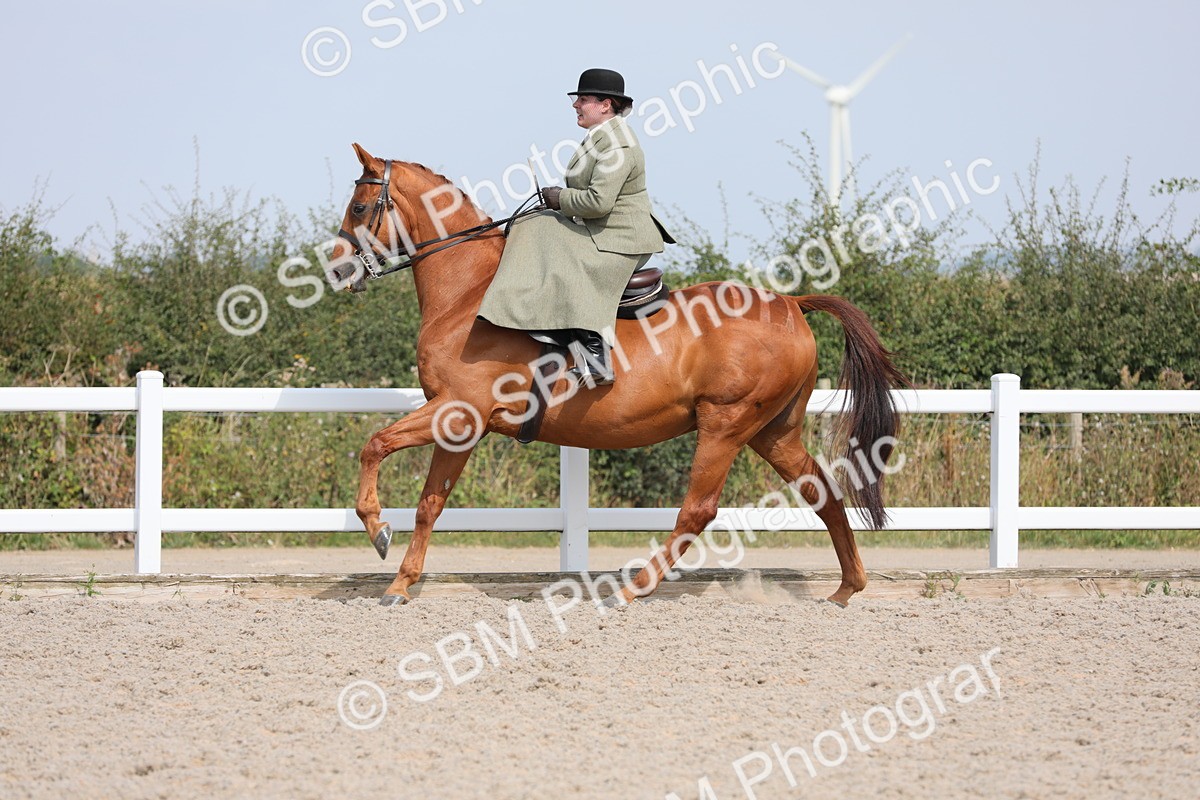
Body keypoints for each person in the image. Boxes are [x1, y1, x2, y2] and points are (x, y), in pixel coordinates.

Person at [477, 68, 674, 387]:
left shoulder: (618, 145)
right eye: (578, 99)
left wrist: (560, 198)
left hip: (622, 239)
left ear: (605, 105)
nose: (576, 105)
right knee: (532, 224)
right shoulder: (601, 136)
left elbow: (599, 202)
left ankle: (596, 357)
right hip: (604, 230)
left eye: (583, 99)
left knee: (559, 251)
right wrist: (557, 203)